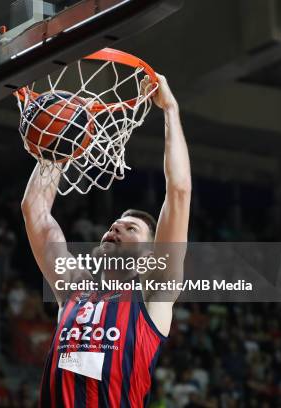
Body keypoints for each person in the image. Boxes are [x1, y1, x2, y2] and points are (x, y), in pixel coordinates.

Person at [21, 74, 191, 407]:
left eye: (131, 229)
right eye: (116, 224)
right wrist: (60, 143)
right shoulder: (75, 287)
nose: (116, 228)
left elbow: (180, 192)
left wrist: (170, 109)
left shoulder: (153, 294)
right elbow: (35, 212)